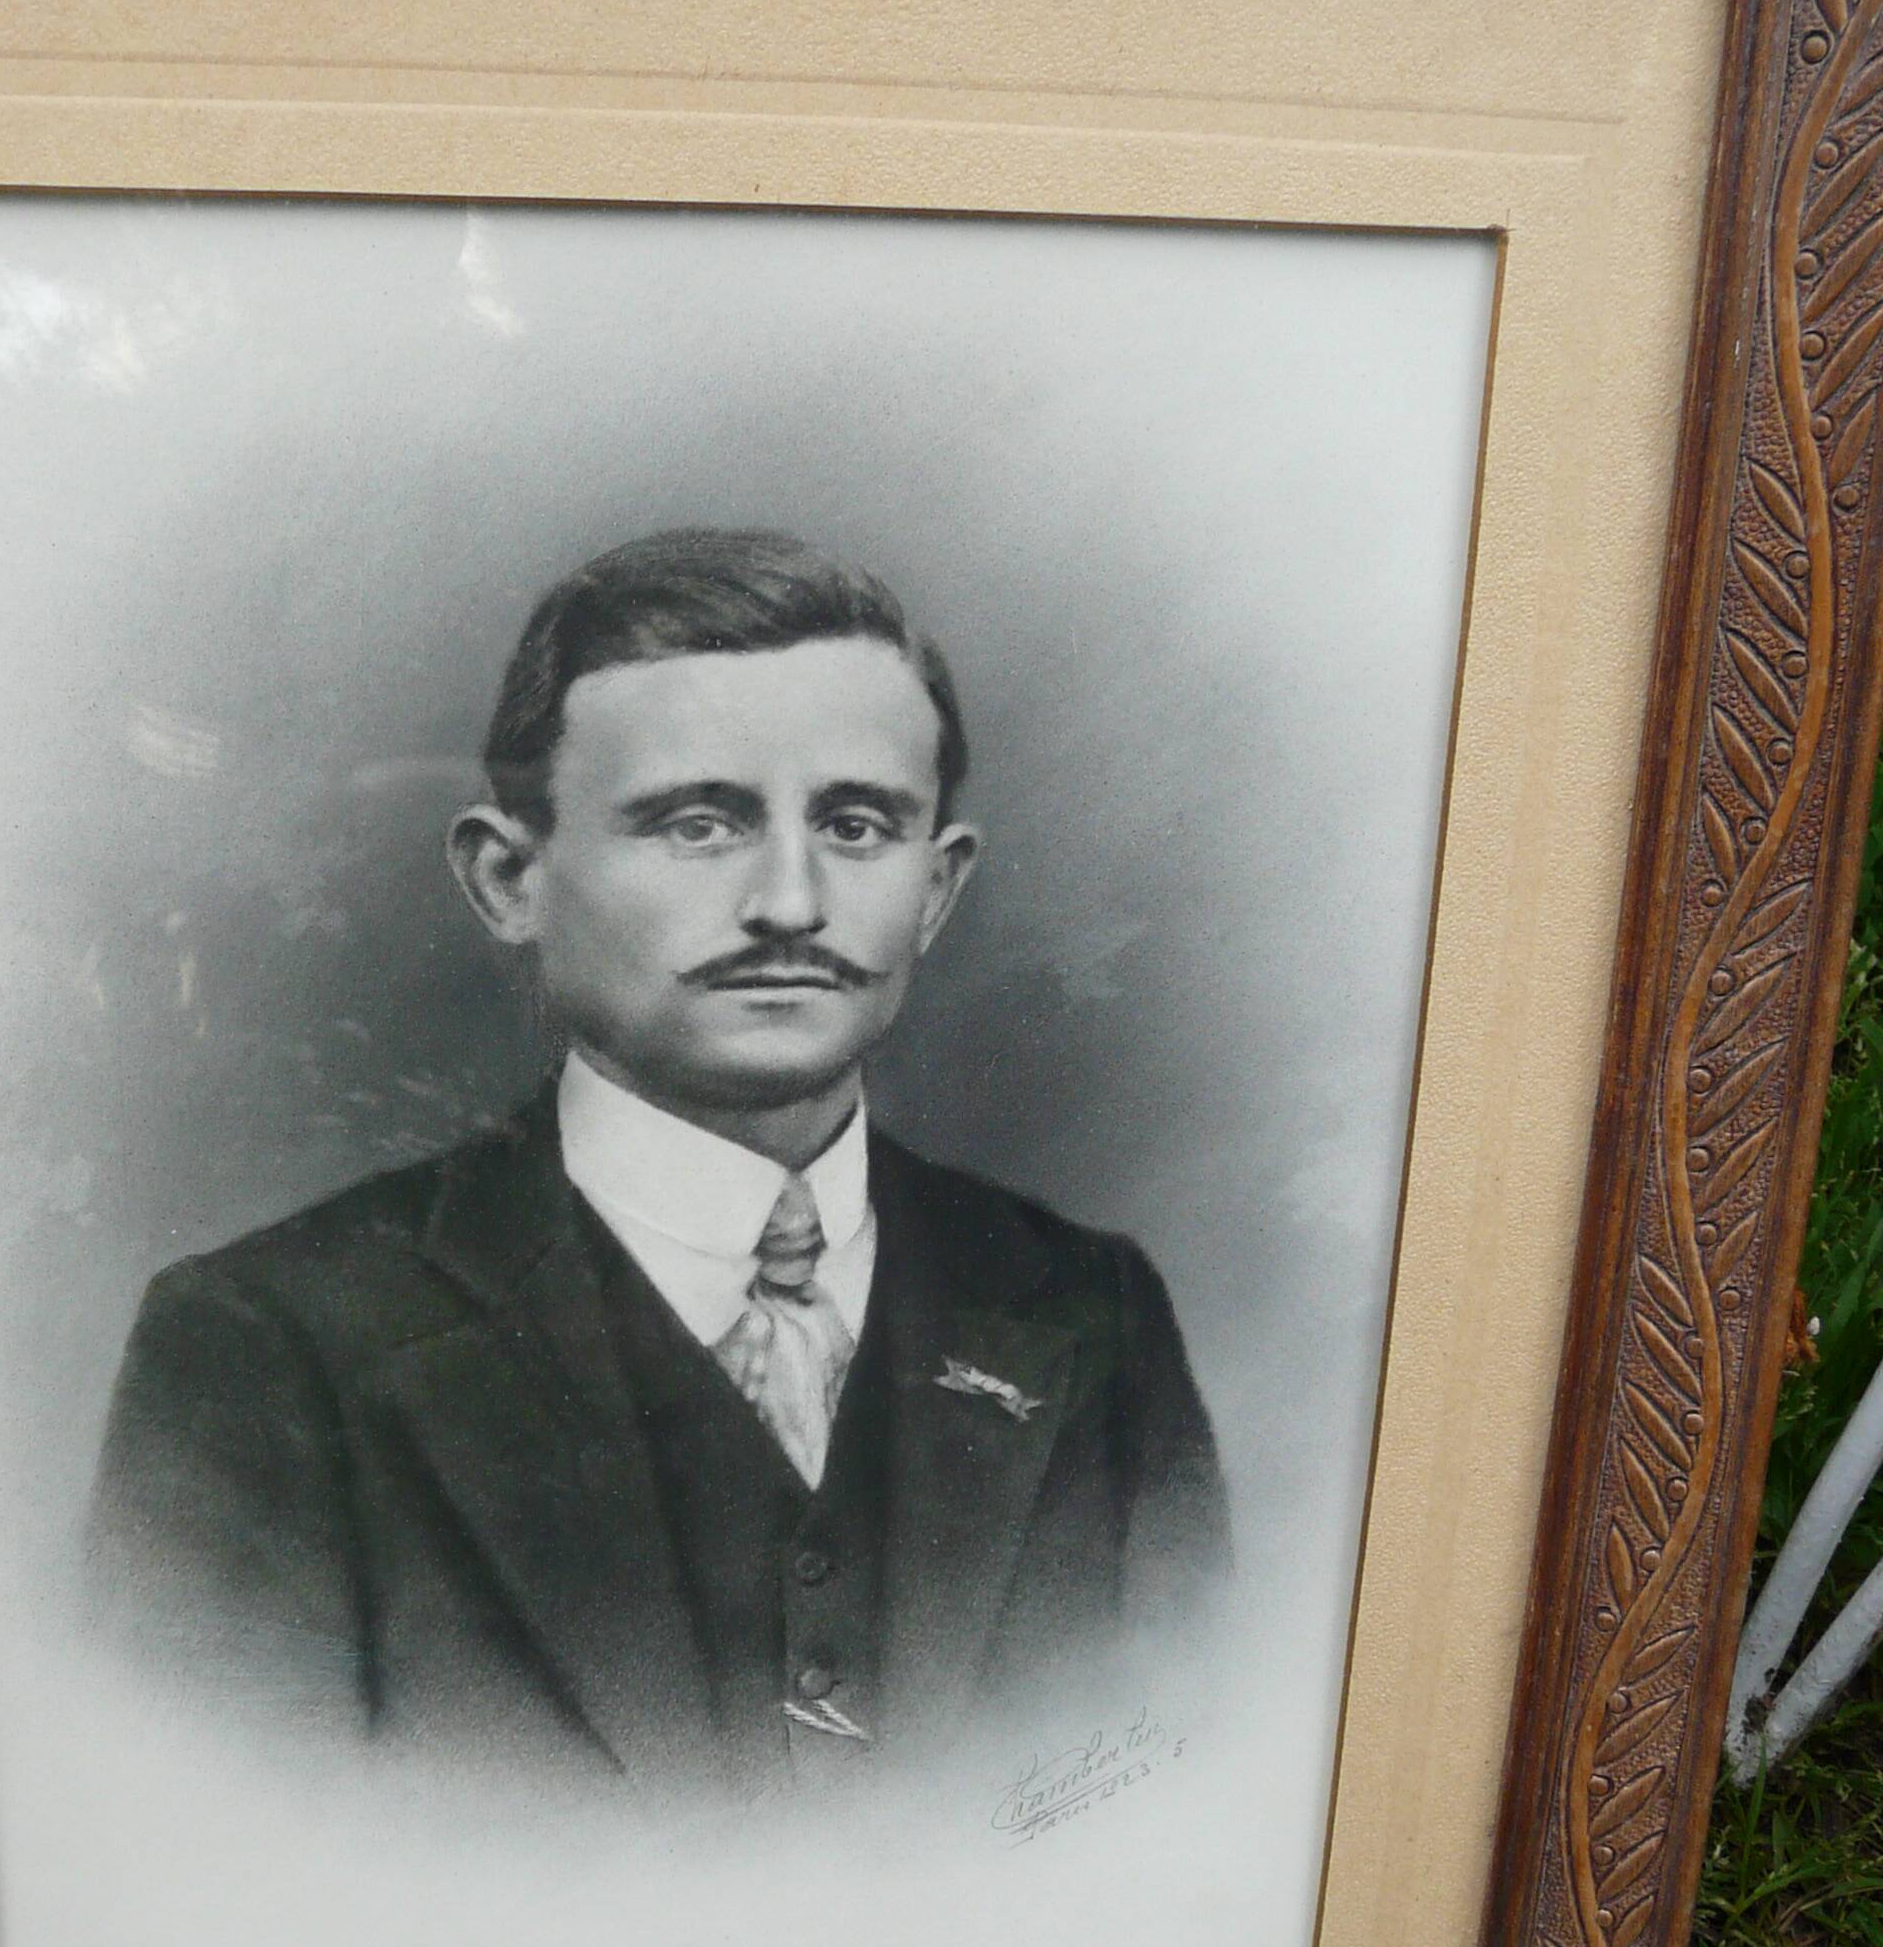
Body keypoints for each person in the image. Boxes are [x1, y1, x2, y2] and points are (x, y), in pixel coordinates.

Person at [91, 528, 1229, 1788]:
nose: (790, 903)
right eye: (698, 824)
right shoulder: (270, 1349)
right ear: (509, 879)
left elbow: (1171, 1821)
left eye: (857, 826)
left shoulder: (1088, 1310)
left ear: (940, 889)